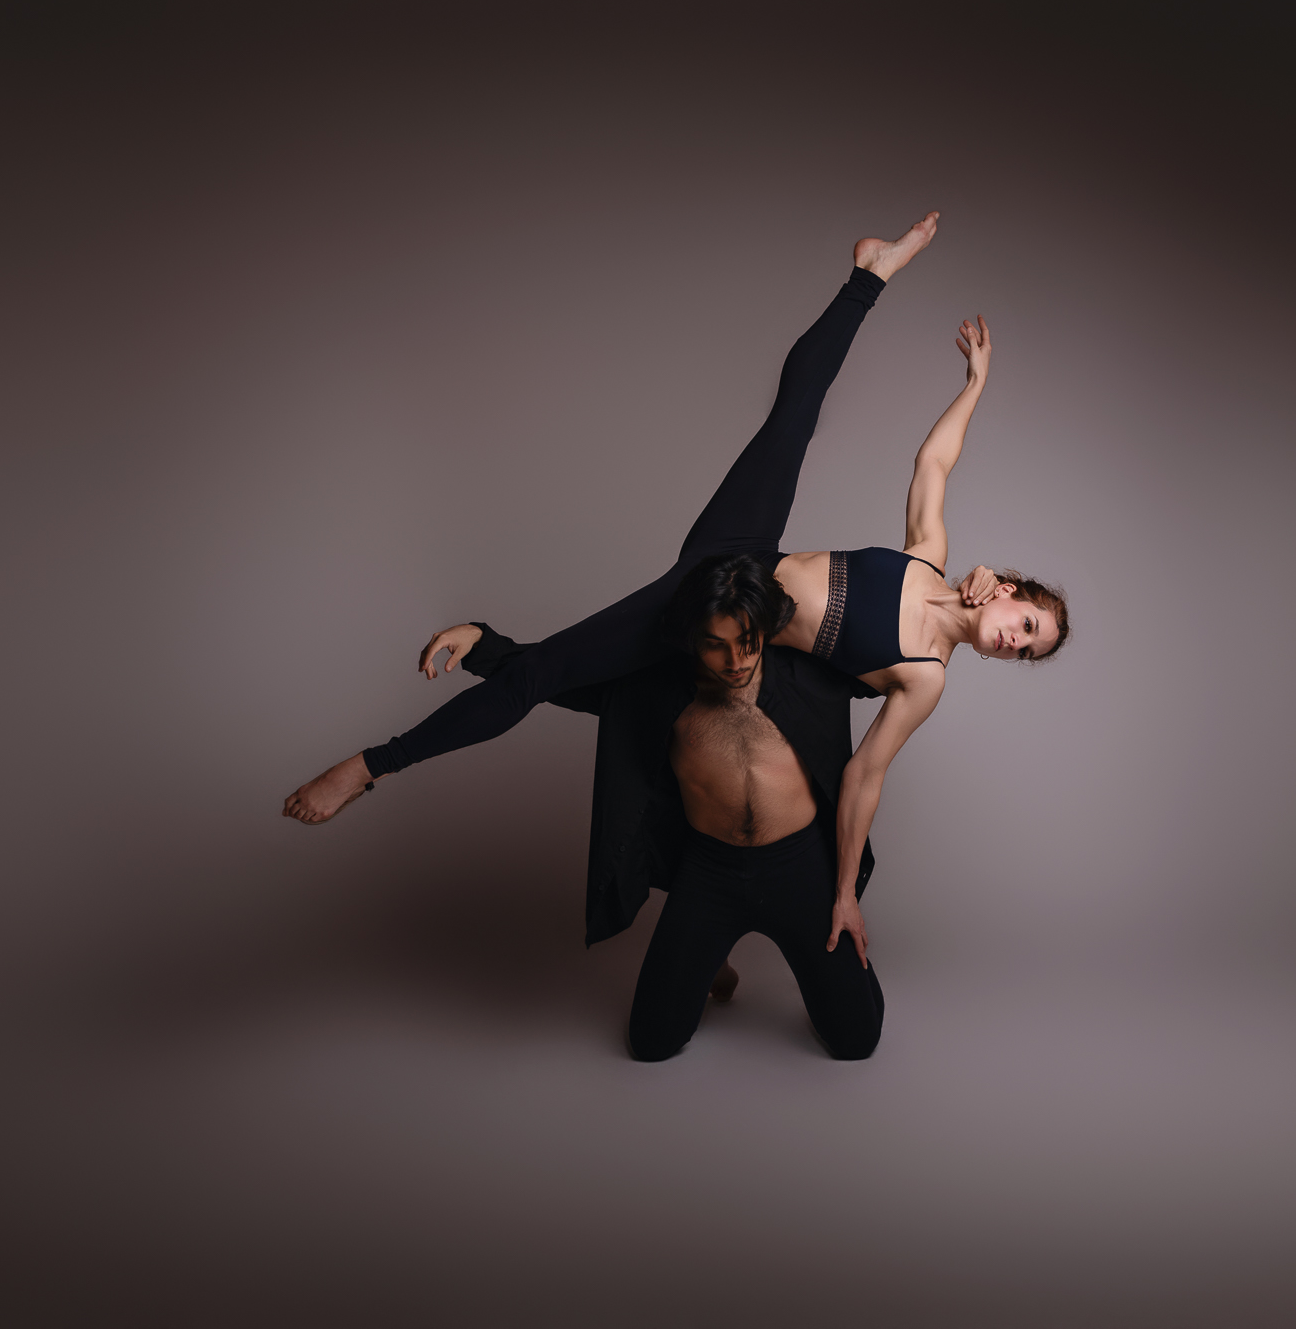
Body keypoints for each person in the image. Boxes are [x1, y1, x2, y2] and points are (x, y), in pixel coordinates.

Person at [283, 211, 1070, 963]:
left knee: (569, 683)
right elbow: (934, 463)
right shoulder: (929, 557)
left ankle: (375, 762)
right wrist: (975, 383)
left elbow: (864, 780)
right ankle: (870, 273)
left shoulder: (926, 680)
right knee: (793, 418)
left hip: (722, 622)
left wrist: (844, 894)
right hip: (737, 551)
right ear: (1004, 589)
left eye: (1026, 650)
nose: (1015, 641)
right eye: (1028, 623)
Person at [460, 555, 883, 1058]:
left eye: (748, 640)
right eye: (717, 645)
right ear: (692, 639)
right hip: (710, 872)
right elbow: (557, 677)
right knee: (652, 1043)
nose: (737, 660)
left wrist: (976, 605)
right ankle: (713, 953)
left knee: (857, 1041)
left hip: (802, 868)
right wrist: (482, 645)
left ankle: (729, 954)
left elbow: (907, 650)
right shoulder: (655, 687)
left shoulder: (813, 672)